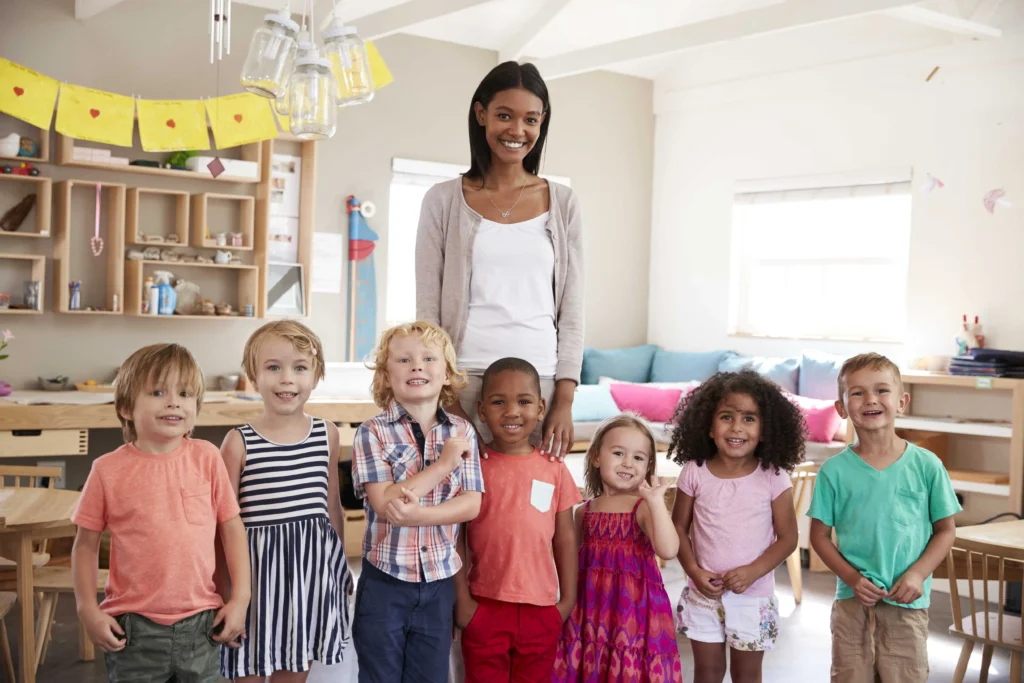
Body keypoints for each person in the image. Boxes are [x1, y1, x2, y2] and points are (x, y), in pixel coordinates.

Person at [416, 60, 584, 461]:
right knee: (460, 514)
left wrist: (564, 397)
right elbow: (428, 313)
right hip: (465, 381)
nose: (517, 131)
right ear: (480, 114)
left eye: (531, 119)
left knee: (529, 514)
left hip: (538, 388)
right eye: (504, 115)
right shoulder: (442, 200)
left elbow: (573, 309)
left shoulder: (563, 203)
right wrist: (446, 395)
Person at [72, 343, 249, 682]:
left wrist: (240, 599)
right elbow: (84, 545)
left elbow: (231, 529)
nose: (174, 402)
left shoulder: (208, 457)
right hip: (134, 630)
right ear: (126, 406)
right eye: (157, 392)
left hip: (203, 624)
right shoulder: (107, 470)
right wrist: (87, 610)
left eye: (185, 393)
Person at [808, 353, 960, 683]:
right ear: (842, 408)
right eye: (858, 392)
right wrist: (851, 578)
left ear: (902, 401)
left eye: (882, 390)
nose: (871, 399)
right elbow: (818, 537)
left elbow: (946, 531)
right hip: (852, 604)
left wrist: (918, 574)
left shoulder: (927, 465)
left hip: (907, 604)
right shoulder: (833, 471)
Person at [351, 321, 485, 683]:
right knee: (380, 676)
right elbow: (386, 503)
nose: (417, 366)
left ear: (446, 374)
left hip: (440, 583)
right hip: (385, 582)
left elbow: (472, 503)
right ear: (386, 375)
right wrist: (443, 466)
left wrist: (417, 515)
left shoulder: (462, 431)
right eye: (404, 360)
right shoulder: (372, 432)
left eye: (428, 358)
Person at [220, 321, 352, 681]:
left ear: (316, 374)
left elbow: (331, 507)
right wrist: (225, 593)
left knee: (295, 670)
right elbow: (222, 525)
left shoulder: (327, 434)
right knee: (246, 670)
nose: (286, 379)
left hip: (309, 584)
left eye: (299, 367)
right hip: (254, 585)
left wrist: (338, 572)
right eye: (273, 367)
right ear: (254, 375)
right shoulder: (238, 442)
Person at [668, 370, 804, 683]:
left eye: (749, 418)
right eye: (726, 417)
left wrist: (753, 571)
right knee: (708, 673)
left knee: (746, 675)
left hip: (754, 596)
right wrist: (694, 572)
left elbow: (787, 538)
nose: (736, 427)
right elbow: (678, 529)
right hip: (703, 594)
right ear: (709, 426)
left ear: (765, 429)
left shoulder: (773, 475)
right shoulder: (694, 471)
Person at [453, 357, 580, 681]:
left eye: (523, 401)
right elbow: (455, 537)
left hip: (541, 610)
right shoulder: (472, 468)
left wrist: (566, 601)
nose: (512, 411)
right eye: (499, 402)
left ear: (540, 408)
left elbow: (565, 539)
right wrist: (464, 604)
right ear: (481, 411)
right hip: (484, 607)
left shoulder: (554, 469)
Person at [553, 413, 682, 683]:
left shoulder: (643, 508)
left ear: (648, 467)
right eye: (619, 453)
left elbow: (668, 550)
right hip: (590, 611)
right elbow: (571, 564)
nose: (628, 463)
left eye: (638, 457)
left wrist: (657, 503)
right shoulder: (583, 512)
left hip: (633, 615)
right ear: (596, 458)